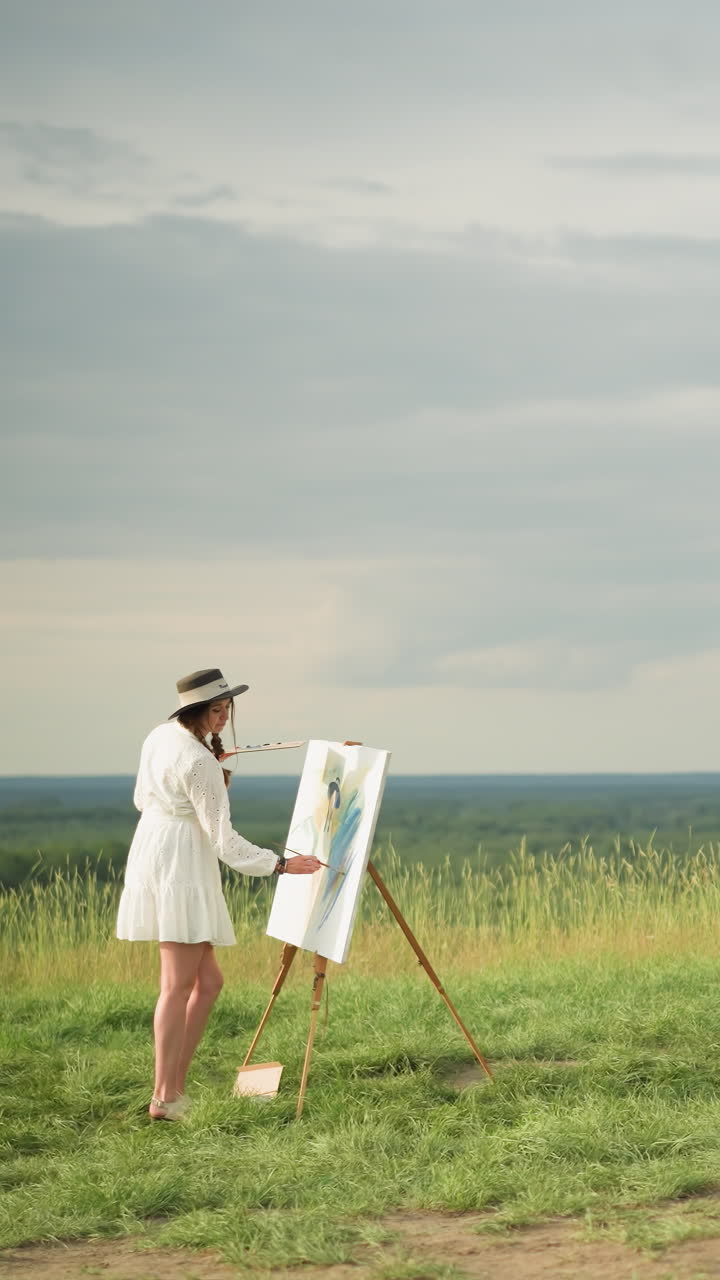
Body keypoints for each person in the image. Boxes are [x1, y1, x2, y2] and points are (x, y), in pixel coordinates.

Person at [116, 668, 320, 1121]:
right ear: (194, 710)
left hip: (155, 847)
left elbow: (140, 798)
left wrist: (208, 776)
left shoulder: (160, 736)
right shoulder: (199, 760)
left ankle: (174, 1091)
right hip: (181, 863)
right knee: (176, 986)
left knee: (209, 983)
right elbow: (224, 842)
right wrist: (282, 864)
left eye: (227, 707)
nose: (224, 716)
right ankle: (164, 1098)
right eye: (216, 709)